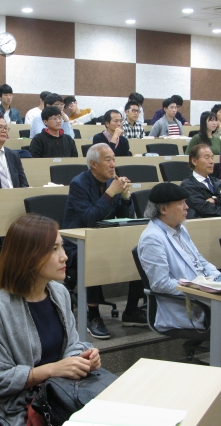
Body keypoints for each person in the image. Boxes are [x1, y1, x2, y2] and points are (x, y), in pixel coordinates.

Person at [0, 215, 100, 426]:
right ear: (28, 256)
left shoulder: (59, 293)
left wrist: (83, 357)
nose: (64, 257)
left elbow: (72, 345)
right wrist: (52, 370)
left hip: (60, 394)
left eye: (62, 247)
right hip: (19, 409)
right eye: (54, 249)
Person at [63, 144, 146, 339]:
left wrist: (125, 197)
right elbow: (90, 218)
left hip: (106, 238)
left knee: (139, 252)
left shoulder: (113, 181)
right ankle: (93, 315)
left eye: (114, 159)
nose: (113, 164)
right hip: (76, 243)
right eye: (107, 160)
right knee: (93, 256)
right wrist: (110, 193)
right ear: (93, 163)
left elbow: (125, 218)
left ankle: (131, 310)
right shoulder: (79, 184)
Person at [138, 183, 220, 331]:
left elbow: (199, 260)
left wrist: (220, 280)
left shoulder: (180, 228)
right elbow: (160, 284)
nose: (186, 207)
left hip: (205, 293)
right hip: (187, 305)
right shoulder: (152, 238)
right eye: (181, 203)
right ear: (163, 209)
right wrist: (198, 289)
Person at [180, 144, 221, 218]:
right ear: (194, 161)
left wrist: (216, 199)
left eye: (212, 158)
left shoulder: (215, 181)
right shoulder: (187, 185)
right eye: (207, 158)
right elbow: (205, 210)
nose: (211, 162)